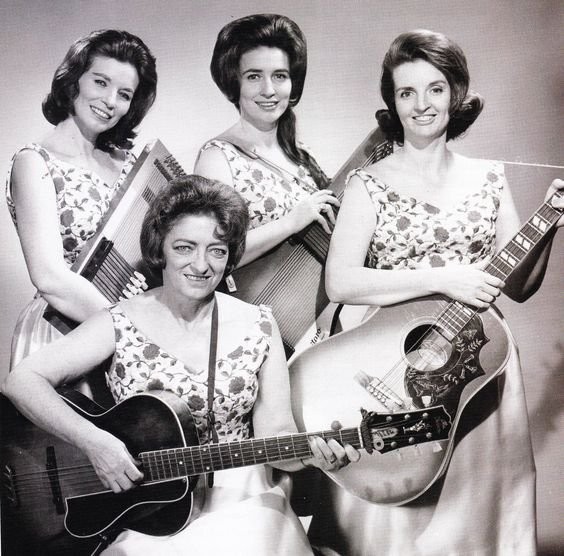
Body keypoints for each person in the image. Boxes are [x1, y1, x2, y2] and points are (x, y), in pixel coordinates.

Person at [1, 176, 360, 555]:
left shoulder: (259, 324)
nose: (201, 265)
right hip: (147, 508)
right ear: (161, 249)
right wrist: (94, 442)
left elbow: (277, 434)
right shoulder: (119, 319)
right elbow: (21, 381)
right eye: (185, 247)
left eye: (217, 250)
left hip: (242, 498)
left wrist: (314, 456)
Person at [308, 30, 564, 555]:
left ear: (457, 93)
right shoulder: (367, 183)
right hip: (395, 362)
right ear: (392, 102)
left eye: (435, 89)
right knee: (402, 517)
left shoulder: (489, 178)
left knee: (478, 510)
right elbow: (342, 281)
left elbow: (518, 287)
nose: (422, 105)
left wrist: (551, 224)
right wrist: (443, 277)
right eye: (407, 93)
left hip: (477, 362)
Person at [6, 29, 157, 370]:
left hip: (132, 333)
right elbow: (49, 277)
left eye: (124, 94)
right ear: (74, 80)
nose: (110, 101)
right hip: (63, 332)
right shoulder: (35, 162)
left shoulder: (130, 163)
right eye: (100, 82)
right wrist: (136, 330)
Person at [194, 13, 338, 268]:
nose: (269, 90)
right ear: (233, 81)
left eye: (280, 76)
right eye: (254, 76)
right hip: (256, 304)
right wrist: (291, 222)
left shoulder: (299, 152)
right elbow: (211, 253)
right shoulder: (218, 157)